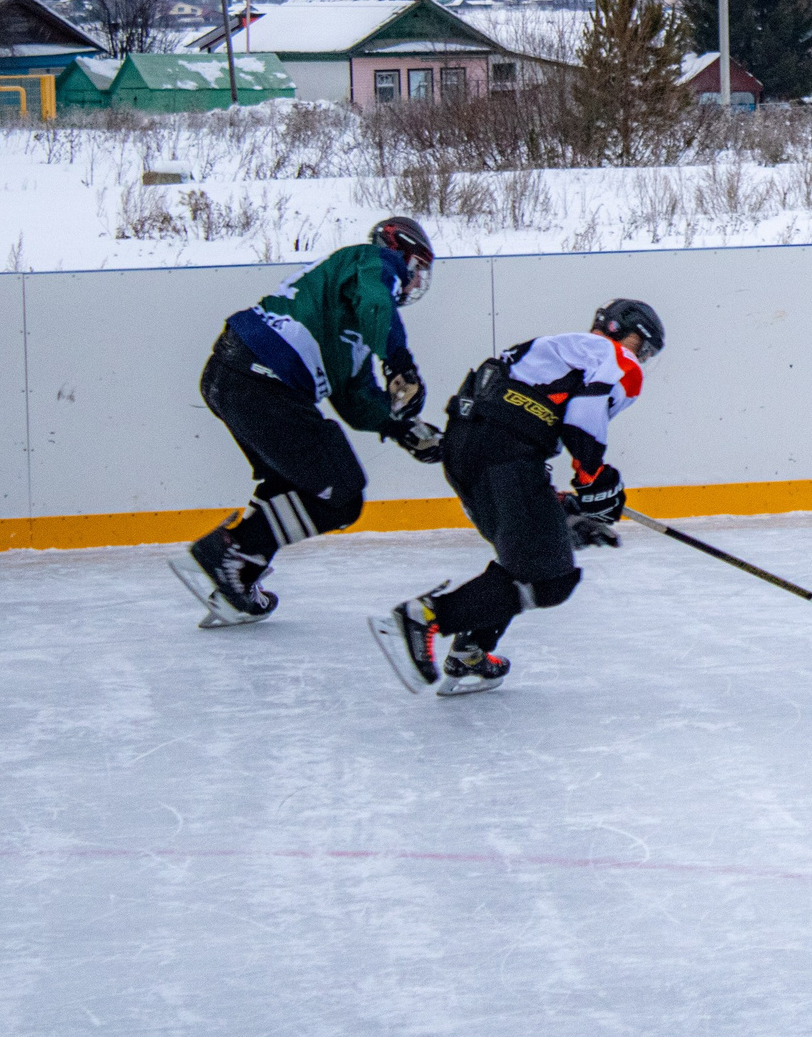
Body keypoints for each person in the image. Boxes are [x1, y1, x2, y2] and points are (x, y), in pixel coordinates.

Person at [368, 298, 665, 696]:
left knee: (523, 559)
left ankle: (471, 652)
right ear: (619, 331)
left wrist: (561, 509)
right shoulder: (615, 357)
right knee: (551, 578)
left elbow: (517, 414)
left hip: (466, 449)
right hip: (502, 454)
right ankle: (423, 618)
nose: (641, 358)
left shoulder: (558, 349)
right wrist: (595, 481)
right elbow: (583, 418)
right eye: (642, 346)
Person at [170, 217, 446, 627]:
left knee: (292, 484)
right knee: (341, 495)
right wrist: (400, 363)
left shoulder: (349, 319)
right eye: (417, 267)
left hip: (233, 376)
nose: (416, 281)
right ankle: (230, 550)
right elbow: (376, 300)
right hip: (261, 380)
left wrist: (402, 429)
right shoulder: (373, 260)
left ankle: (238, 576)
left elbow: (355, 400)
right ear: (399, 250)